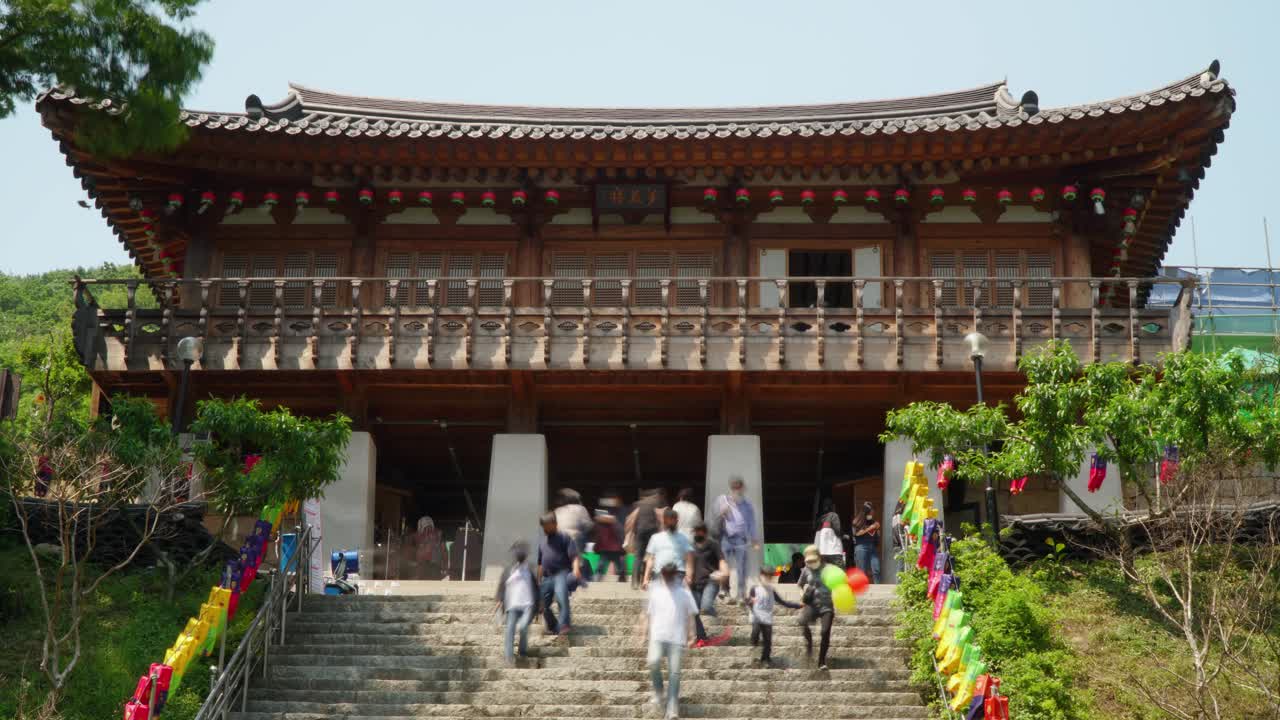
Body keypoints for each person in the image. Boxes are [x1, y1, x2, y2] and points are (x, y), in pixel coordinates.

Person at [646, 562, 698, 720]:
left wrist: (692, 635)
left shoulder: (684, 593)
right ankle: (659, 691)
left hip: (676, 638)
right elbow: (650, 614)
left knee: (674, 673)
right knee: (653, 662)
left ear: (675, 575)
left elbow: (691, 616)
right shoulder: (656, 592)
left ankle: (672, 709)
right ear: (662, 574)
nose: (668, 577)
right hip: (657, 636)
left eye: (671, 574)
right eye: (666, 574)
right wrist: (644, 633)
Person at [713, 476, 760, 602]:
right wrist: (722, 512)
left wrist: (754, 539)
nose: (737, 491)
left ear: (742, 489)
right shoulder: (722, 500)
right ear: (731, 488)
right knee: (724, 565)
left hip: (741, 540)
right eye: (734, 488)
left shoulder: (747, 505)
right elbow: (715, 514)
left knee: (741, 568)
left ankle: (740, 594)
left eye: (739, 488)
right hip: (726, 538)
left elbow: (751, 523)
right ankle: (724, 590)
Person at [536, 512, 582, 635]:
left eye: (547, 526)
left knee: (562, 598)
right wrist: (538, 580)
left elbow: (574, 556)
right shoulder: (542, 542)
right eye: (543, 526)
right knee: (542, 605)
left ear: (555, 524)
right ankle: (553, 626)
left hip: (561, 573)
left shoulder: (564, 537)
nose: (545, 528)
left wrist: (576, 570)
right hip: (547, 577)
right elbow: (540, 563)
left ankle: (564, 625)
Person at [493, 541, 537, 666]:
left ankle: (522, 652)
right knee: (510, 630)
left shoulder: (529, 569)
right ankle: (509, 656)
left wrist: (540, 605)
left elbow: (536, 588)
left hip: (527, 605)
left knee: (523, 628)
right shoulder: (509, 570)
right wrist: (499, 600)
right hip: (512, 605)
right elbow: (502, 586)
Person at [748, 566, 801, 666]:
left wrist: (798, 605)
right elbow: (748, 601)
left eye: (769, 577)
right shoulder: (755, 589)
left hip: (767, 618)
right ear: (760, 576)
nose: (767, 579)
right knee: (755, 633)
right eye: (765, 576)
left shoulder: (771, 590)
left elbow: (783, 602)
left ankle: (766, 659)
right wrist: (750, 602)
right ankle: (754, 646)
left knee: (768, 641)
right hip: (756, 617)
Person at [689, 523, 731, 647]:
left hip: (710, 581)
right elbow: (688, 564)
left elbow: (722, 560)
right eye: (696, 531)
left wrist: (724, 572)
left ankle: (720, 623)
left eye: (700, 531)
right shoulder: (690, 547)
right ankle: (702, 636)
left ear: (705, 532)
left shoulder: (713, 545)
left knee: (706, 606)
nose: (698, 533)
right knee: (693, 611)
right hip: (695, 584)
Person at [796, 544, 835, 670]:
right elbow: (800, 585)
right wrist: (802, 596)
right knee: (802, 621)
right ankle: (809, 642)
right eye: (809, 561)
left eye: (814, 560)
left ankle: (821, 661)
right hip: (811, 604)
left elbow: (839, 584)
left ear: (819, 558)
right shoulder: (806, 570)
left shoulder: (829, 569)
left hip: (827, 606)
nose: (811, 563)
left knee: (825, 631)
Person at [644, 508, 694, 588]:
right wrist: (646, 578)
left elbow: (689, 560)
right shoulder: (655, 538)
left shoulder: (684, 538)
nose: (671, 522)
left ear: (677, 521)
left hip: (678, 574)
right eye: (668, 520)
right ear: (664, 521)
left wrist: (689, 577)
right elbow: (650, 559)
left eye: (673, 520)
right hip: (658, 574)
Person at [628, 489, 663, 588]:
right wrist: (661, 530)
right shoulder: (656, 502)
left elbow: (633, 517)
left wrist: (632, 532)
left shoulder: (637, 504)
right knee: (650, 556)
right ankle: (646, 580)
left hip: (639, 531)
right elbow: (659, 516)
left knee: (638, 556)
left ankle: (635, 582)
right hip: (652, 532)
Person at [593, 490, 627, 582]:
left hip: (609, 546)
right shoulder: (617, 512)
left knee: (602, 567)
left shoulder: (604, 512)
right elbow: (620, 529)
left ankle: (596, 582)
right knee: (619, 568)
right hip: (612, 546)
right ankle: (622, 581)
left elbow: (598, 528)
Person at [852, 501, 882, 584]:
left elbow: (876, 535)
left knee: (876, 569)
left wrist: (877, 530)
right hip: (861, 547)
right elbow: (857, 533)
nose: (873, 513)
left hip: (872, 547)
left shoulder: (872, 521)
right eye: (872, 511)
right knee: (862, 571)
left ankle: (878, 587)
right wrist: (870, 528)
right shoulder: (857, 521)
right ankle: (862, 588)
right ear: (866, 512)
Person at [814, 498, 844, 568]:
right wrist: (844, 535)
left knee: (824, 573)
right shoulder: (834, 516)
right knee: (839, 573)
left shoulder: (819, 519)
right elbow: (838, 530)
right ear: (833, 506)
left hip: (822, 551)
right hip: (834, 551)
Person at [890, 500, 907, 573]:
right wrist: (904, 545)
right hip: (901, 545)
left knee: (902, 567)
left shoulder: (895, 516)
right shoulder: (899, 517)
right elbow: (899, 533)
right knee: (902, 568)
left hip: (898, 545)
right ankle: (900, 584)